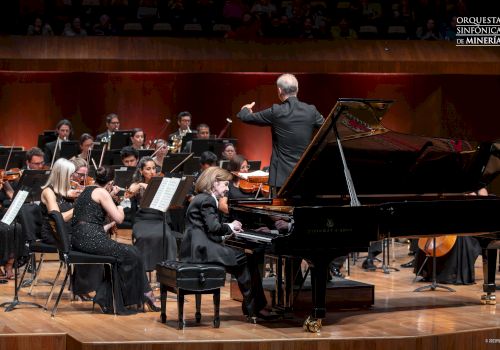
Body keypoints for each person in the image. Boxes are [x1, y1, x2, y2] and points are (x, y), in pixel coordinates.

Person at [179, 167, 268, 319]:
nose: (228, 189)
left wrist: (229, 233)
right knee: (243, 257)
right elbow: (214, 227)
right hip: (201, 250)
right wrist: (232, 226)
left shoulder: (202, 198)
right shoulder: (207, 200)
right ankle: (253, 309)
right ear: (215, 183)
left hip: (198, 247)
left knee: (247, 258)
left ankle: (255, 306)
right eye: (226, 184)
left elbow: (208, 230)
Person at [71, 166, 159, 314]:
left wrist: (110, 196)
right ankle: (143, 296)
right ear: (110, 182)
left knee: (130, 252)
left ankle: (131, 297)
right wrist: (121, 205)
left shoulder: (87, 190)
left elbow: (93, 218)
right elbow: (119, 218)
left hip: (80, 238)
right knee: (133, 252)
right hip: (91, 239)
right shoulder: (102, 193)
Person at [237, 73, 324, 191]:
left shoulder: (276, 111)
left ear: (279, 90)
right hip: (305, 175)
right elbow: (328, 127)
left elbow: (246, 117)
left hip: (281, 178)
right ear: (297, 89)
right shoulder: (311, 111)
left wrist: (245, 109)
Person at [129, 157, 177, 272]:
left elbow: (170, 203)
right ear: (141, 171)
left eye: (154, 168)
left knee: (168, 237)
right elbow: (128, 194)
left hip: (159, 219)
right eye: (148, 169)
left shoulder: (163, 184)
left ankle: (167, 272)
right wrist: (141, 185)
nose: (152, 172)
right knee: (144, 237)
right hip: (142, 220)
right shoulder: (136, 185)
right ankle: (142, 271)